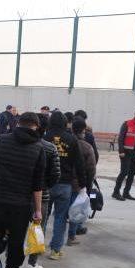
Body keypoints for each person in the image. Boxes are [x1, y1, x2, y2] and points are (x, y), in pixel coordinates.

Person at [0, 112, 46, 268]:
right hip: (21, 205)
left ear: (18, 123)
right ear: (35, 126)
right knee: (16, 242)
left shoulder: (1, 141)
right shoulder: (38, 148)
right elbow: (37, 184)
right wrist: (38, 210)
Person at [45, 111, 86, 260]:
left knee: (42, 216)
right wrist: (82, 184)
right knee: (60, 217)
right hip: (65, 184)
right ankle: (55, 250)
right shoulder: (72, 139)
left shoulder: (45, 138)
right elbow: (80, 164)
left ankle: (37, 247)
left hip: (46, 184)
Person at [25, 114, 60, 268]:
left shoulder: (20, 144)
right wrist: (45, 186)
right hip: (43, 195)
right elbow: (55, 175)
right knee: (39, 228)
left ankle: (10, 263)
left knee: (17, 229)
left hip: (21, 194)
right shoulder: (50, 148)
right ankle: (32, 264)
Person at [67, 118, 96, 244]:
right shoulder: (86, 146)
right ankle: (71, 236)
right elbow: (91, 168)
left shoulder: (65, 143)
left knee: (62, 211)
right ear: (84, 131)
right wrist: (87, 185)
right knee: (76, 210)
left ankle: (56, 240)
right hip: (78, 184)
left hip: (63, 181)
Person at [113, 108, 135, 201]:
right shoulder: (127, 123)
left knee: (132, 174)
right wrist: (121, 151)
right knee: (124, 172)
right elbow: (121, 138)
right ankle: (116, 192)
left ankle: (126, 192)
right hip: (126, 153)